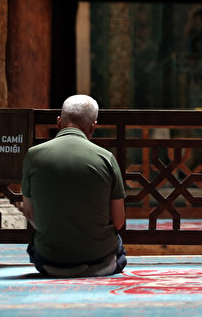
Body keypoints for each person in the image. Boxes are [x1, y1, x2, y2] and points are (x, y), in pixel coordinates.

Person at [22, 94, 127, 277]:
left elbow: (29, 213)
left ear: (58, 122)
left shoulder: (33, 155)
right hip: (99, 256)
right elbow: (118, 221)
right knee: (118, 249)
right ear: (93, 127)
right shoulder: (106, 158)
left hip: (50, 259)